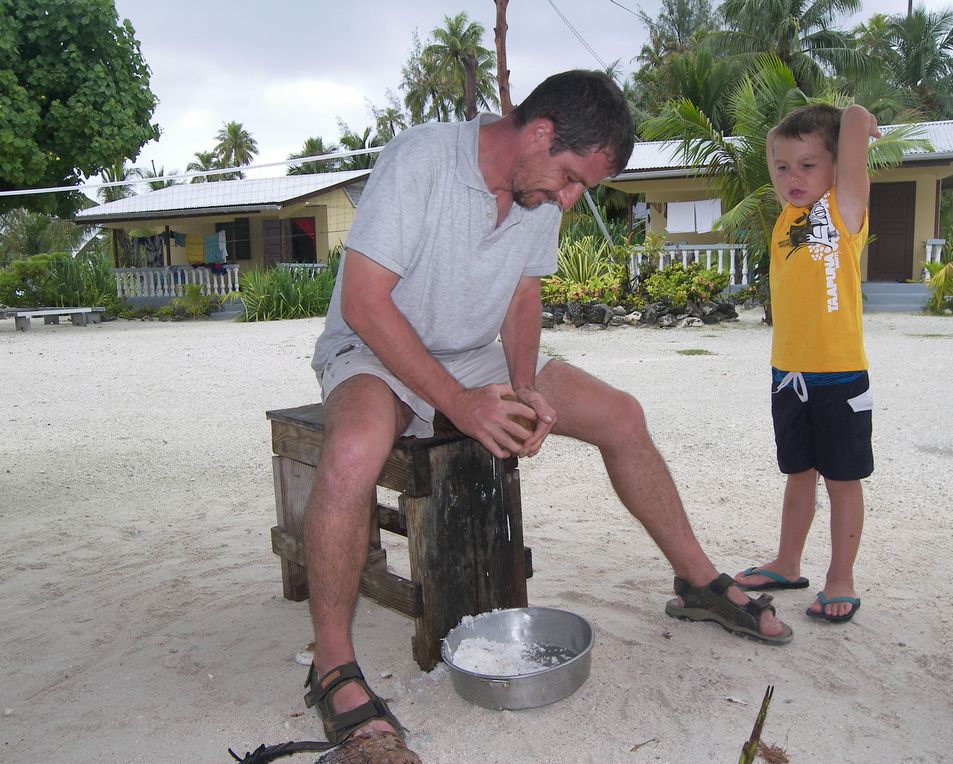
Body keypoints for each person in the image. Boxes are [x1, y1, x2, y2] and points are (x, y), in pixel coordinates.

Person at [304, 70, 792, 762]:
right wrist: (460, 403)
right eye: (570, 179)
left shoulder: (537, 194)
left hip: (475, 354)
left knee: (623, 415)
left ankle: (699, 580)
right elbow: (364, 302)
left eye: (580, 190)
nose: (568, 200)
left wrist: (525, 385)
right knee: (354, 450)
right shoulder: (421, 160)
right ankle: (332, 667)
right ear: (537, 133)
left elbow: (521, 299)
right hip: (375, 347)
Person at [733, 104, 881, 624]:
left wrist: (857, 119)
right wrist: (782, 143)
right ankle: (787, 561)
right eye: (782, 166)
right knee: (798, 473)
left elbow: (856, 143)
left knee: (842, 480)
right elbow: (788, 155)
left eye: (808, 165)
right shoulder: (785, 218)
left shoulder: (842, 213)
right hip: (788, 375)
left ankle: (840, 578)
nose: (792, 177)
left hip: (839, 375)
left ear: (836, 168)